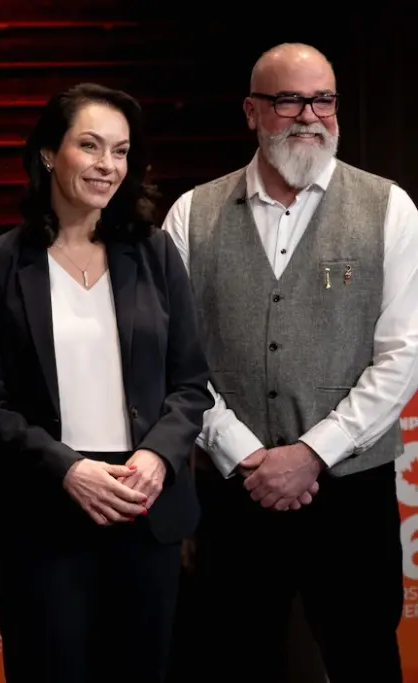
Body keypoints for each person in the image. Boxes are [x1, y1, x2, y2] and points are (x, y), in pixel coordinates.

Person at [161, 42, 418, 683]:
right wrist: (246, 455)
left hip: (351, 491)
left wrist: (311, 453)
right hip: (233, 492)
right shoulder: (190, 213)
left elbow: (402, 354)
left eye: (323, 99)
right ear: (252, 111)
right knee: (233, 661)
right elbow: (176, 358)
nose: (310, 115)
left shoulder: (390, 207)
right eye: (289, 100)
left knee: (364, 659)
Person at [0, 84, 213, 682]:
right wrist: (70, 469)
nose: (108, 165)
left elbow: (190, 383)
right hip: (43, 506)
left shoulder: (155, 254)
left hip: (143, 501)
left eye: (120, 151)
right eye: (91, 146)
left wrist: (158, 456)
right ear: (50, 152)